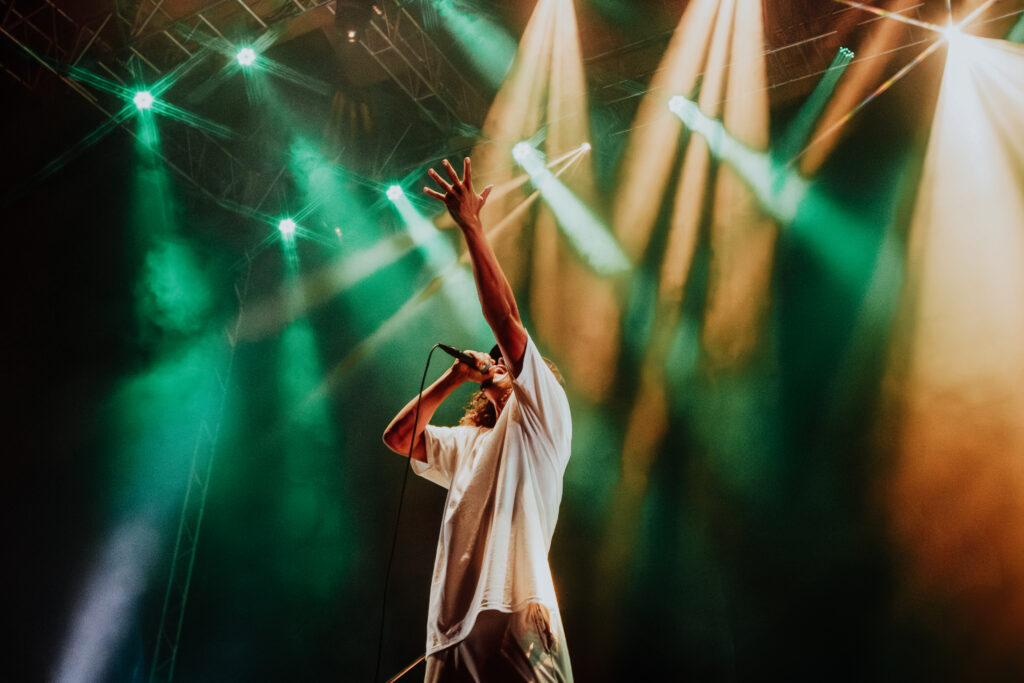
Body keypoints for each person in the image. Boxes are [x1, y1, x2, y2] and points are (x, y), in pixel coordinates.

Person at [382, 157, 574, 682]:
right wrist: (450, 380)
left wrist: (471, 226)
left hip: (517, 614)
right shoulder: (469, 443)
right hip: (448, 635)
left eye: (505, 360)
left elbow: (504, 317)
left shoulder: (541, 415)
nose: (496, 358)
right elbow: (399, 439)